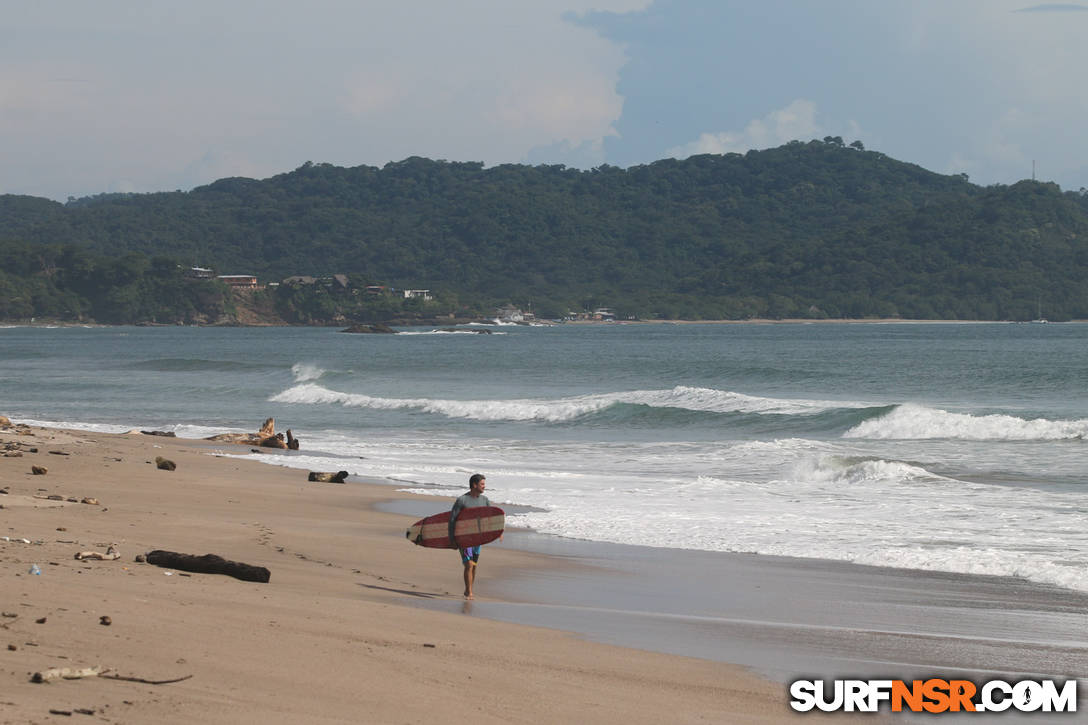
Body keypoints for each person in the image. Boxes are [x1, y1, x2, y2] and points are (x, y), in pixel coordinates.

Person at [449, 473, 490, 599]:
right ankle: (469, 591)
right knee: (469, 564)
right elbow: (452, 520)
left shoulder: (484, 500)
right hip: (464, 537)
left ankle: (469, 589)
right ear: (474, 485)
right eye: (482, 484)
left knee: (474, 565)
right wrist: (452, 539)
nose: (484, 486)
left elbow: (489, 519)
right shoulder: (462, 500)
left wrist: (496, 533)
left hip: (477, 538)